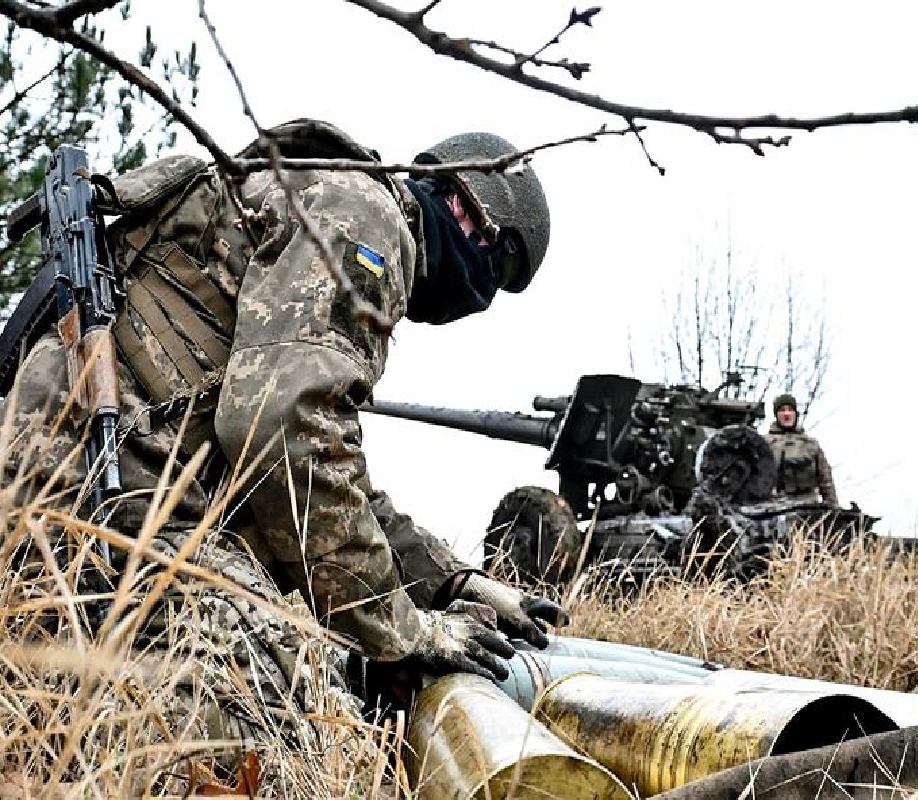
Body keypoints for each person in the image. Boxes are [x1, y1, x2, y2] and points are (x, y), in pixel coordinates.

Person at [0, 120, 565, 762]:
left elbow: (316, 461)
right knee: (303, 721)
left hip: (75, 489)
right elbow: (282, 438)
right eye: (503, 266)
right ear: (466, 206)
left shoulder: (323, 196)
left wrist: (453, 584)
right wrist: (408, 631)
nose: (486, 296)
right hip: (102, 494)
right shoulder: (366, 215)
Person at [764, 393, 839, 506]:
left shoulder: (811, 444)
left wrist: (833, 508)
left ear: (796, 413)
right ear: (776, 415)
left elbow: (826, 480)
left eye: (790, 409)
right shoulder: (765, 444)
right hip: (775, 507)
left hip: (808, 507)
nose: (787, 414)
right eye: (782, 410)